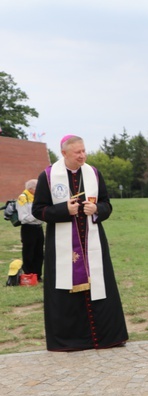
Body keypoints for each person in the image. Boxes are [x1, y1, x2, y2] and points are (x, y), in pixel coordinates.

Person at [31, 135, 128, 351]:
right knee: (64, 290)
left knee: (100, 286)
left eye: (84, 151)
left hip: (93, 243)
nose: (82, 155)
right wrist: (64, 210)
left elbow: (107, 205)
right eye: (77, 152)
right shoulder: (47, 177)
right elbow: (38, 210)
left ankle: (106, 338)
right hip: (62, 248)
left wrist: (98, 210)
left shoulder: (93, 174)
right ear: (64, 153)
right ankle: (71, 340)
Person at [17, 179, 44, 280]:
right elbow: (23, 217)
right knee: (29, 252)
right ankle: (28, 274)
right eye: (38, 188)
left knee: (39, 252)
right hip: (28, 228)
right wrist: (39, 216)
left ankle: (38, 275)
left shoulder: (37, 197)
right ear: (31, 189)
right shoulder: (23, 198)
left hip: (38, 227)